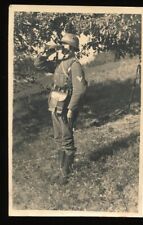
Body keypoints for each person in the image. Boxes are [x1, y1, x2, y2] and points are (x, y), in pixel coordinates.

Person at [34, 33, 87, 184]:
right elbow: (38, 65)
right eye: (61, 44)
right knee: (58, 138)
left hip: (66, 106)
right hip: (55, 104)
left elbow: (80, 90)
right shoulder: (59, 62)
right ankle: (60, 171)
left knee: (67, 139)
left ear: (71, 48)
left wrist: (71, 109)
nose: (61, 47)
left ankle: (65, 175)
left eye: (64, 45)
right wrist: (46, 53)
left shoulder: (74, 65)